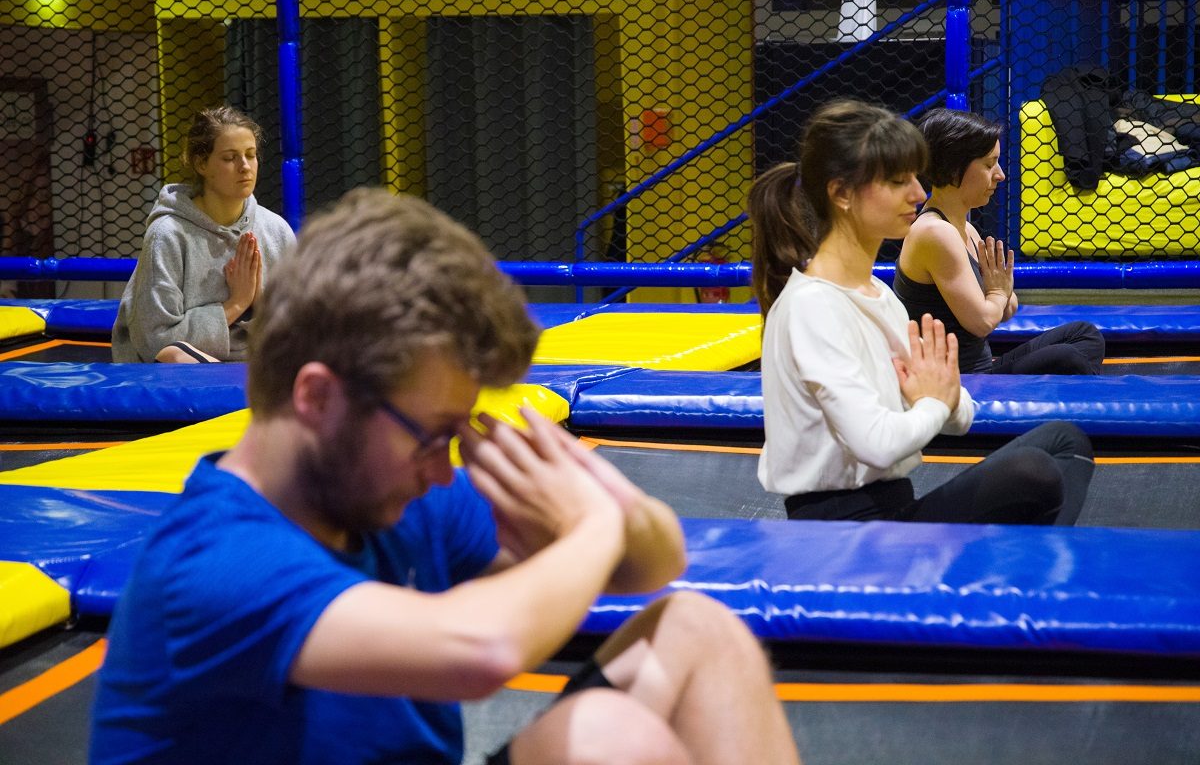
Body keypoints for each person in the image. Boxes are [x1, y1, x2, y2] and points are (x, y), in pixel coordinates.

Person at [91, 188, 801, 765]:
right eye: (432, 436)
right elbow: (479, 650)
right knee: (613, 741)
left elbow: (656, 562)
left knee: (698, 628)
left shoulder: (396, 495)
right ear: (317, 398)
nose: (442, 468)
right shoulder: (212, 560)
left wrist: (595, 490)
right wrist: (590, 524)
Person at [749, 99, 1093, 526]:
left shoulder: (879, 295)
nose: (917, 193)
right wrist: (932, 402)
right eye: (898, 181)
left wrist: (940, 395)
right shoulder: (812, 307)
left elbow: (960, 416)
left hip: (894, 508)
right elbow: (876, 443)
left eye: (915, 177)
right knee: (1031, 472)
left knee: (1064, 441)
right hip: (843, 533)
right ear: (841, 194)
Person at [894, 108, 1105, 374]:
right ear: (954, 167)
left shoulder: (966, 229)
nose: (1000, 174)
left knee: (1085, 335)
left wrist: (1001, 293)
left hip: (983, 368)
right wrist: (997, 293)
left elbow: (1005, 309)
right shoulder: (935, 232)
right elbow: (982, 321)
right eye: (988, 164)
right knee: (1067, 358)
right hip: (962, 381)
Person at [111, 106, 295, 363]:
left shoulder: (276, 230)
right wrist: (236, 304)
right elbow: (156, 342)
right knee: (174, 356)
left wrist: (261, 301)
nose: (245, 167)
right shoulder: (168, 235)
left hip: (259, 365)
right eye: (230, 158)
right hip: (183, 373)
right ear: (201, 163)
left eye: (251, 155)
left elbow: (299, 329)